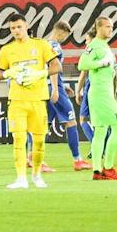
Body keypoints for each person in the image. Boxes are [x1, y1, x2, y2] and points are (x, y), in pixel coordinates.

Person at [0, 15, 56, 190]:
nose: (16, 31)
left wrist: (40, 74)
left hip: (37, 100)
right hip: (17, 101)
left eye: (19, 27)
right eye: (12, 28)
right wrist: (9, 73)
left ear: (26, 26)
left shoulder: (41, 45)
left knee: (39, 141)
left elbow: (56, 66)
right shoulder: (7, 50)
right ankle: (21, 178)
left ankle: (36, 175)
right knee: (18, 139)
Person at [75, 15, 117, 181]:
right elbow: (82, 64)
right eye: (107, 27)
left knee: (100, 131)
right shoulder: (95, 45)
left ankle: (97, 171)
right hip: (101, 94)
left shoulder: (104, 46)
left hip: (101, 93)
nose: (110, 29)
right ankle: (109, 168)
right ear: (98, 28)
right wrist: (100, 64)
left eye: (111, 27)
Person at [44, 21, 91, 172]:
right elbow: (53, 67)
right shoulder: (55, 46)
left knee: (43, 125)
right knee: (70, 122)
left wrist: (60, 86)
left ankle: (34, 159)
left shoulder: (44, 45)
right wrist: (56, 89)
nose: (65, 38)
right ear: (61, 32)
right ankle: (78, 160)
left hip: (46, 86)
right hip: (54, 88)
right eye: (66, 35)